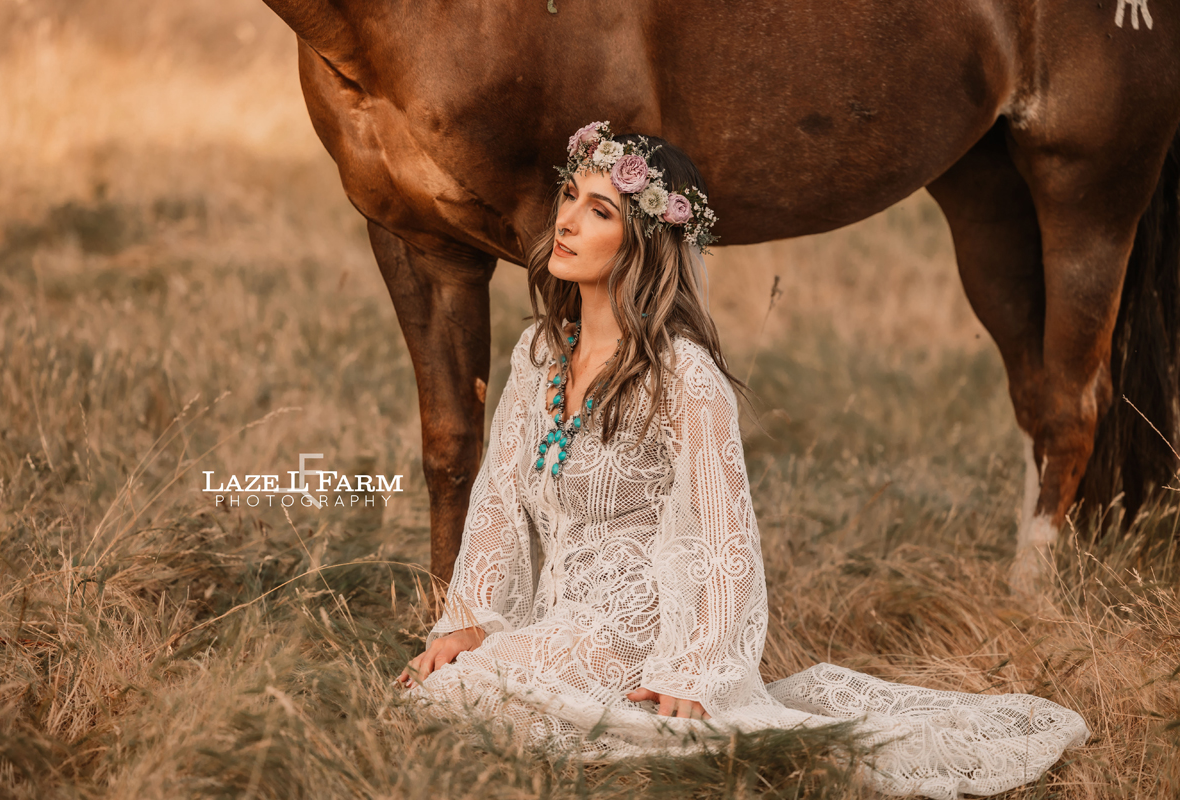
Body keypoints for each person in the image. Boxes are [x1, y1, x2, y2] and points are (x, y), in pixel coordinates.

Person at [396, 122, 1089, 798]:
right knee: (448, 690)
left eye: (599, 209)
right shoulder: (539, 354)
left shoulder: (684, 377)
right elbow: (495, 498)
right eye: (568, 197)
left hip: (643, 627)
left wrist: (695, 668)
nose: (567, 222)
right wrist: (469, 618)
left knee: (463, 699)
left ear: (643, 240)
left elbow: (727, 537)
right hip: (564, 616)